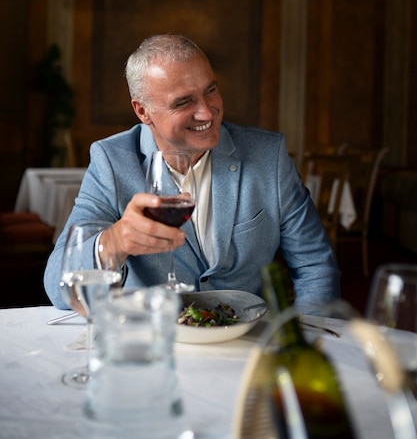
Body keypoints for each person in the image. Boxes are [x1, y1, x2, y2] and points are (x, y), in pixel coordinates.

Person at [44, 34, 341, 309]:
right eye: (184, 102)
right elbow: (58, 287)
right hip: (153, 342)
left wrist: (304, 342)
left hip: (246, 344)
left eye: (210, 90)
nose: (207, 113)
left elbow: (315, 265)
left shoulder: (268, 156)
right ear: (142, 111)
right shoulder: (112, 160)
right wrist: (115, 242)